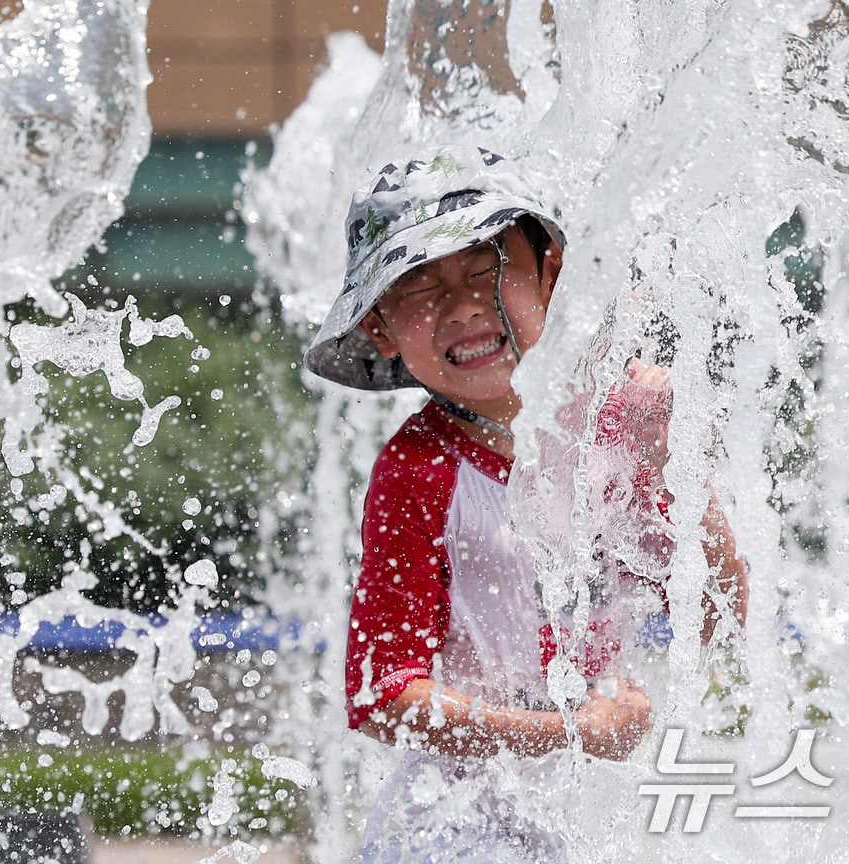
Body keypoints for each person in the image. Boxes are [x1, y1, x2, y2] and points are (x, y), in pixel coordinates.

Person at [303, 145, 748, 860]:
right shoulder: (420, 470)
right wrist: (570, 733)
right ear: (380, 326)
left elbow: (719, 624)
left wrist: (680, 472)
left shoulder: (619, 431)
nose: (463, 307)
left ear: (550, 273)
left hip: (595, 817)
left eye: (488, 269)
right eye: (419, 287)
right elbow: (383, 697)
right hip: (456, 828)